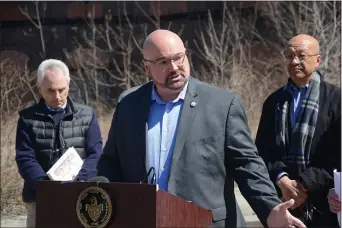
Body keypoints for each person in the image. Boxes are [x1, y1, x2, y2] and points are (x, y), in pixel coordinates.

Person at [97, 29, 305, 228]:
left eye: (179, 57)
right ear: (146, 68)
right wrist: (96, 191)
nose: (175, 67)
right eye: (163, 62)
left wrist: (270, 209)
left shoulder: (222, 105)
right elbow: (111, 161)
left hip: (205, 222)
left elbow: (248, 166)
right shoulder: (128, 104)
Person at [256, 34, 341, 227]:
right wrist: (282, 179)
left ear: (317, 60)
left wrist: (304, 184)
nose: (294, 61)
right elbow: (262, 150)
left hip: (327, 206)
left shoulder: (336, 100)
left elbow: (338, 154)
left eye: (301, 56)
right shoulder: (274, 102)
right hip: (284, 204)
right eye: (289, 56)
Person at [15, 59, 103, 227]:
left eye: (62, 90)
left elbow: (96, 154)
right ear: (39, 87)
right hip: (39, 197)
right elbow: (25, 158)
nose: (57, 96)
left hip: (81, 195)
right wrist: (45, 185)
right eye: (50, 90)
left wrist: (80, 181)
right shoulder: (27, 119)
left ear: (68, 85)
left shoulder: (87, 115)